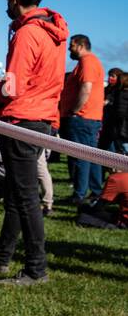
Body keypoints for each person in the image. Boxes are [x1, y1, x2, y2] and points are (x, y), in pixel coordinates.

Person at [0, 0, 67, 286]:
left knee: (25, 197)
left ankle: (36, 268)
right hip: (42, 116)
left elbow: (12, 87)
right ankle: (2, 256)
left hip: (22, 117)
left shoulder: (27, 33)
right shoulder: (52, 31)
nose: (6, 5)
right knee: (19, 193)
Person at [59, 34, 105, 203]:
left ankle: (79, 194)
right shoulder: (88, 62)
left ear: (80, 45)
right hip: (87, 118)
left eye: (71, 45)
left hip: (82, 118)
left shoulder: (88, 61)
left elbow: (86, 88)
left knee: (81, 157)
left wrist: (74, 110)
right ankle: (95, 191)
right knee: (91, 156)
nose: (69, 48)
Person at [101, 68, 128, 156]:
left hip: (117, 124)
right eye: (109, 75)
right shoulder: (108, 89)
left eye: (113, 76)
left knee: (120, 145)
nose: (110, 78)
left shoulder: (119, 93)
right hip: (110, 122)